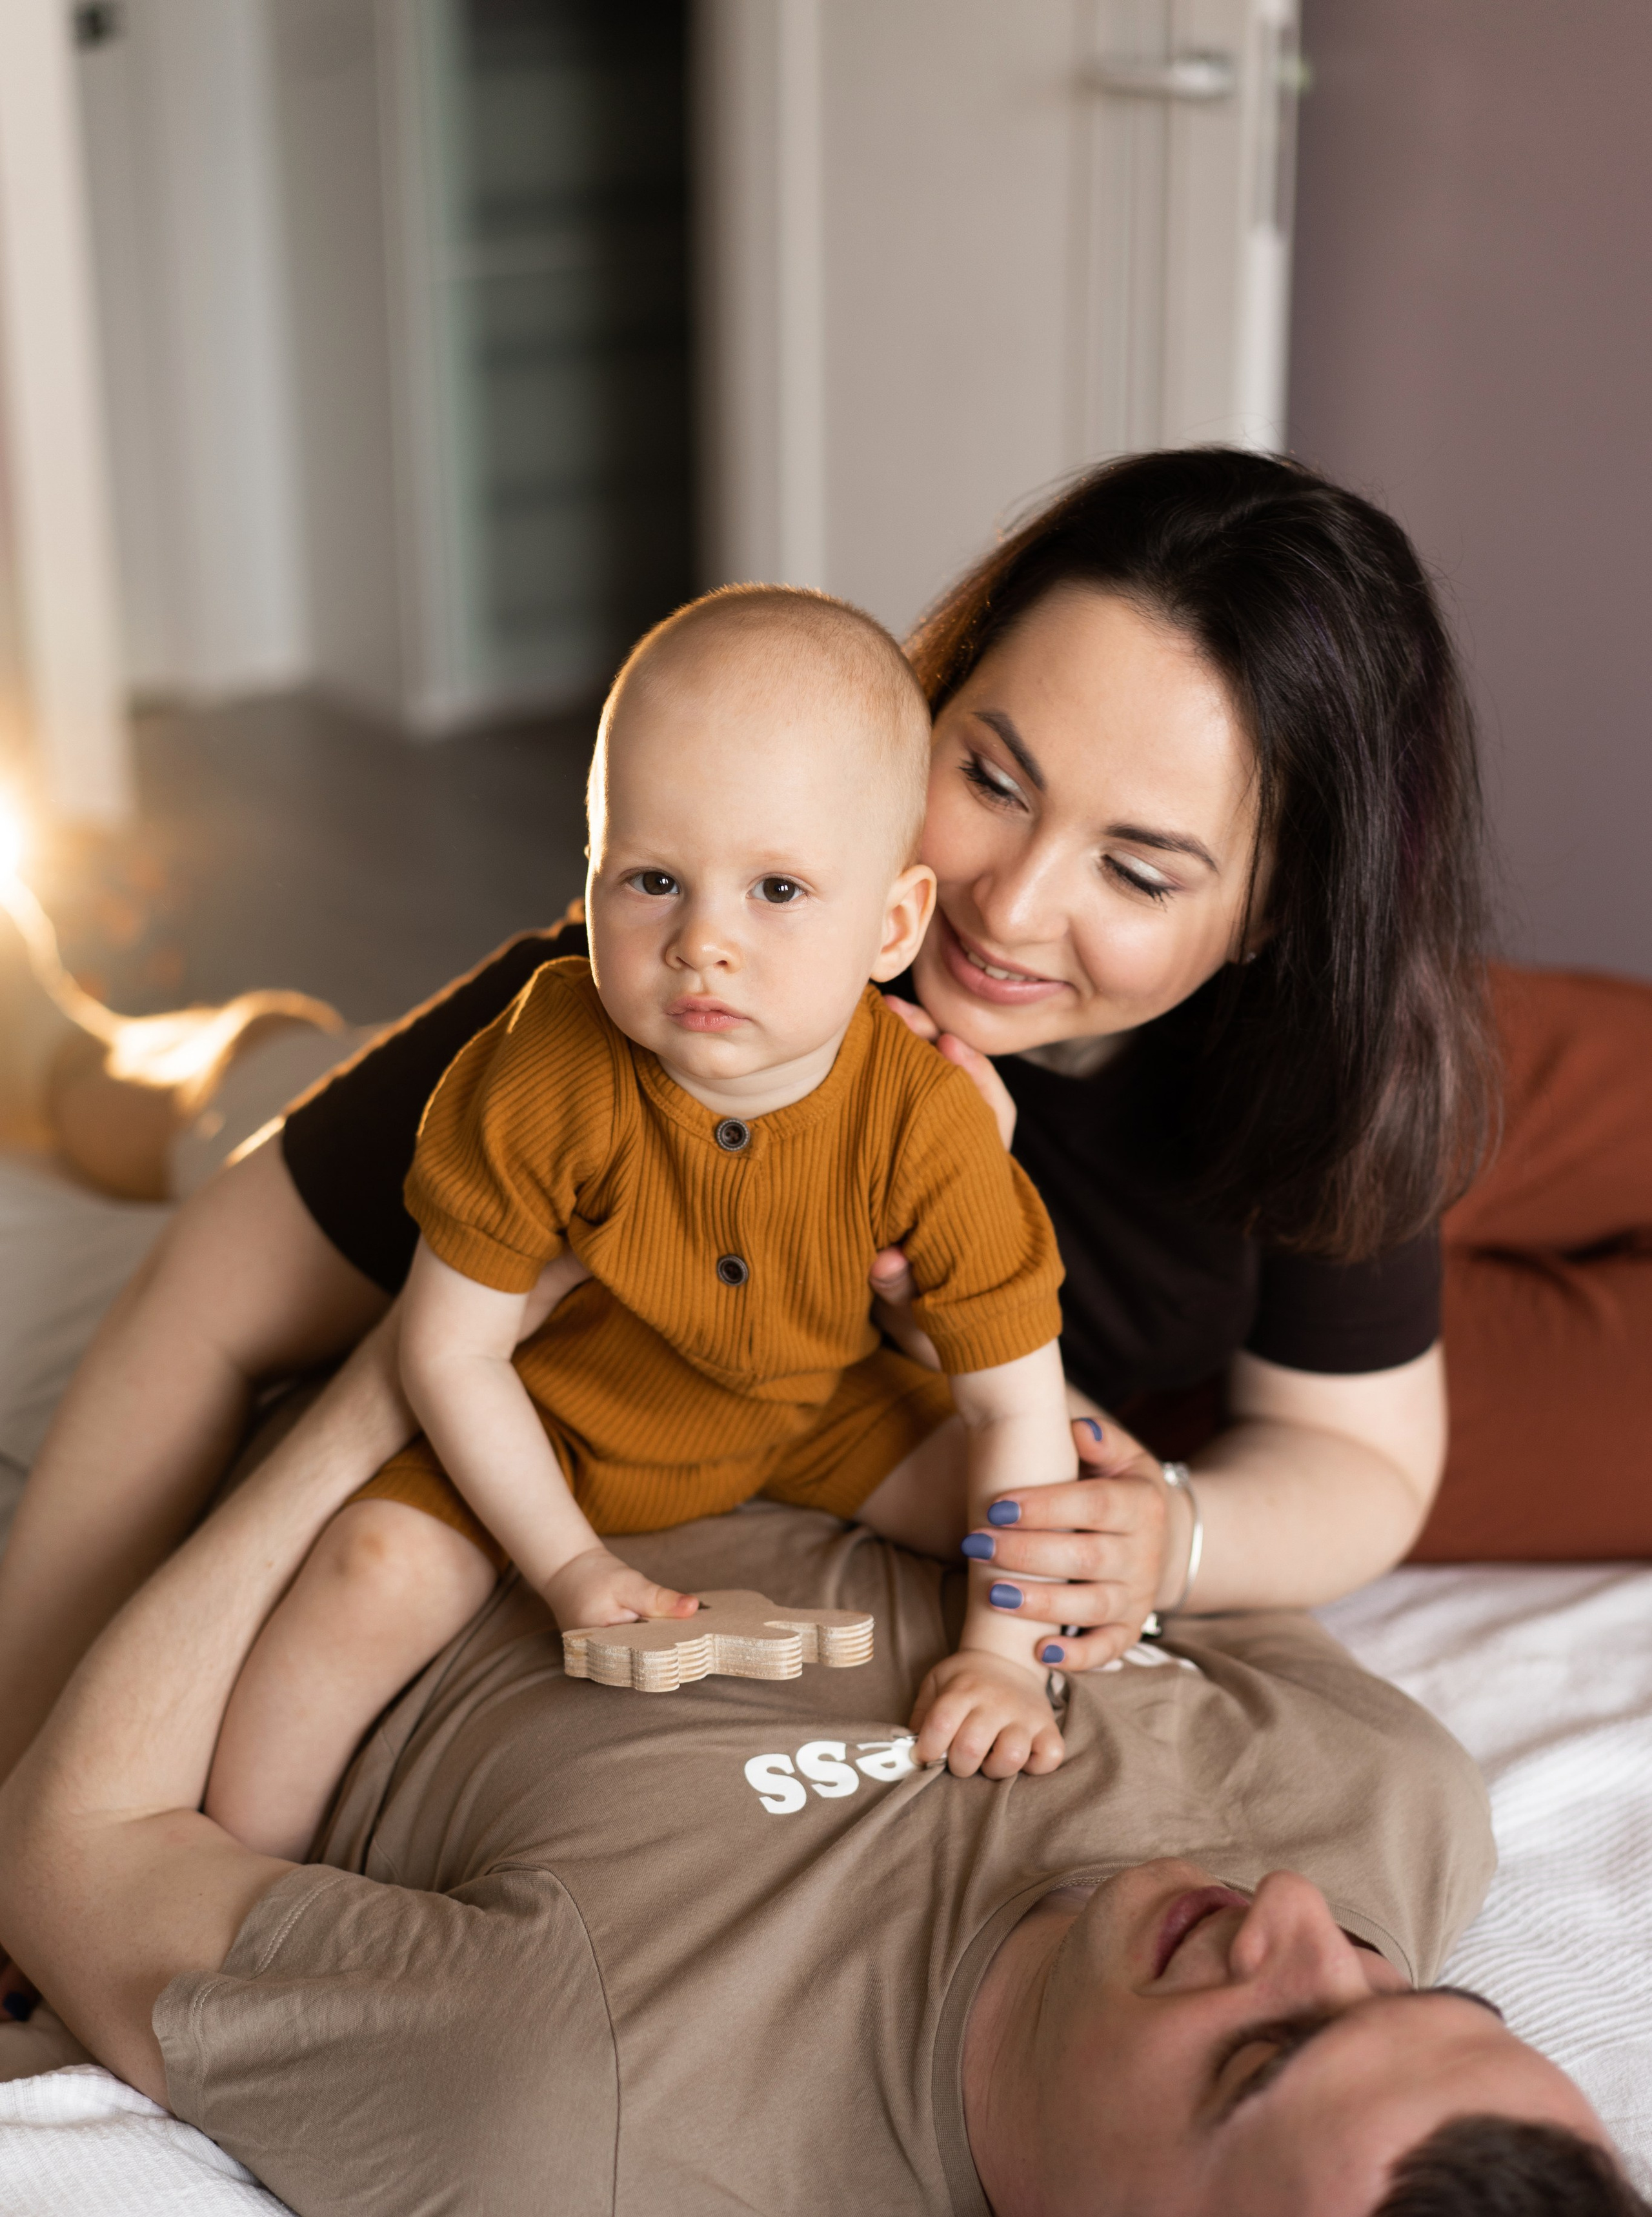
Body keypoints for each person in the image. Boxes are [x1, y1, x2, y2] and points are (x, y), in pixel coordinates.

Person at [0, 448, 1513, 1778]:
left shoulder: (1338, 1071)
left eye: (1136, 868)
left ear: (1273, 915)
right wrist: (24, 1747)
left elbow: (1361, 1459)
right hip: (474, 1178)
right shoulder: (671, 989)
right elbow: (207, 1306)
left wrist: (1177, 1535)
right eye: (987, 777)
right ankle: (81, 1043)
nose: (1010, 902)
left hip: (848, 1420)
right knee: (213, 1103)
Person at [0, 1330, 1646, 2217]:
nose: (1292, 1914)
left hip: (364, 1401)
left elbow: (74, 1851)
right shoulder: (1387, 1801)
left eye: (1258, 2058)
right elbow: (1091, 1482)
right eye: (1419, 1994)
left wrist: (419, 1359)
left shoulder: (577, 2112)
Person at [206, 586, 1075, 1862]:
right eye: (653, 879)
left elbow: (1013, 1402)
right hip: (568, 1414)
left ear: (891, 925)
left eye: (777, 889)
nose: (701, 944)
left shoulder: (926, 1119)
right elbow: (448, 1353)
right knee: (367, 1573)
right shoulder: (548, 1061)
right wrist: (568, 1568)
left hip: (812, 1409)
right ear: (593, 875)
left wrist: (1000, 1656)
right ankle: (230, 1874)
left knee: (1042, 1510)